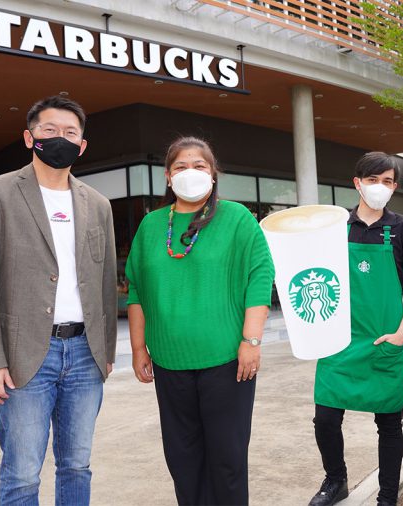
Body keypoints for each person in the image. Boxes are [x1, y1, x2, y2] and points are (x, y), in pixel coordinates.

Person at [0, 96, 117, 506]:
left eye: (70, 133)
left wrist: (106, 351)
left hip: (85, 354)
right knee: (22, 473)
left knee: (77, 465)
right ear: (30, 137)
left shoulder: (98, 205)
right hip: (23, 356)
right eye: (50, 130)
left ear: (82, 146)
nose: (60, 138)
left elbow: (104, 281)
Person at [126, 136, 274, 505]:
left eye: (199, 166)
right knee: (183, 458)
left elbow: (259, 278)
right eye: (181, 167)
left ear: (213, 175)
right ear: (167, 176)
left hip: (227, 362)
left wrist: (251, 341)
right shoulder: (151, 226)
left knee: (226, 460)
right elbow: (137, 292)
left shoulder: (237, 218)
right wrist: (138, 348)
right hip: (169, 362)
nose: (189, 173)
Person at [309, 152, 403, 506]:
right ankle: (335, 480)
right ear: (357, 182)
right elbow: (312, 274)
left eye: (388, 181)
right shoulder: (335, 225)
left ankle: (387, 497)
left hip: (384, 340)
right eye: (373, 180)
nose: (381, 187)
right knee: (325, 419)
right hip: (339, 342)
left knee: (389, 425)